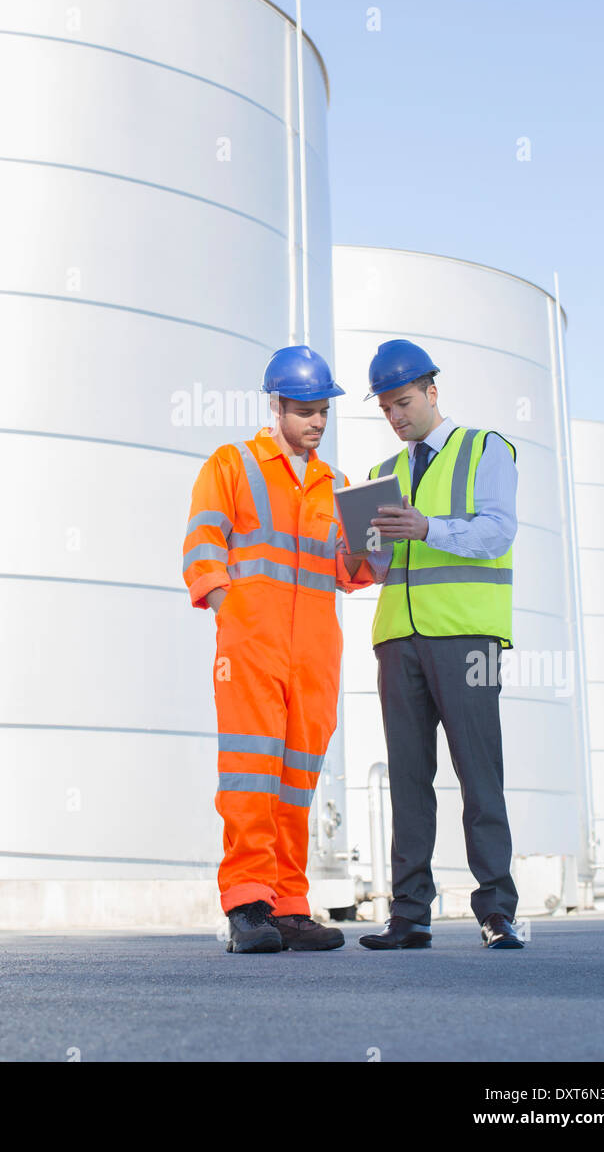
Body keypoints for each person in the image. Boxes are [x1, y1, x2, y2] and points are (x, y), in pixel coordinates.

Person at [182, 345, 376, 953]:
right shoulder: (233, 463)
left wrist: (373, 540)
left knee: (297, 781)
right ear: (276, 406)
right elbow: (202, 543)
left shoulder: (338, 484)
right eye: (306, 410)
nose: (317, 421)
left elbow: (352, 574)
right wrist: (230, 614)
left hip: (316, 650)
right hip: (252, 645)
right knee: (250, 775)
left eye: (324, 411)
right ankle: (247, 905)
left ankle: (289, 906)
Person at [357, 339, 525, 952]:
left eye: (403, 401)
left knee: (479, 772)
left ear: (432, 391)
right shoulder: (381, 475)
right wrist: (358, 549)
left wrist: (427, 528)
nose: (396, 416)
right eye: (385, 408)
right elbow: (374, 570)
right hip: (397, 640)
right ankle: (410, 914)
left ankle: (498, 910)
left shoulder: (486, 448)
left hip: (467, 636)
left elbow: (497, 530)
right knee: (408, 778)